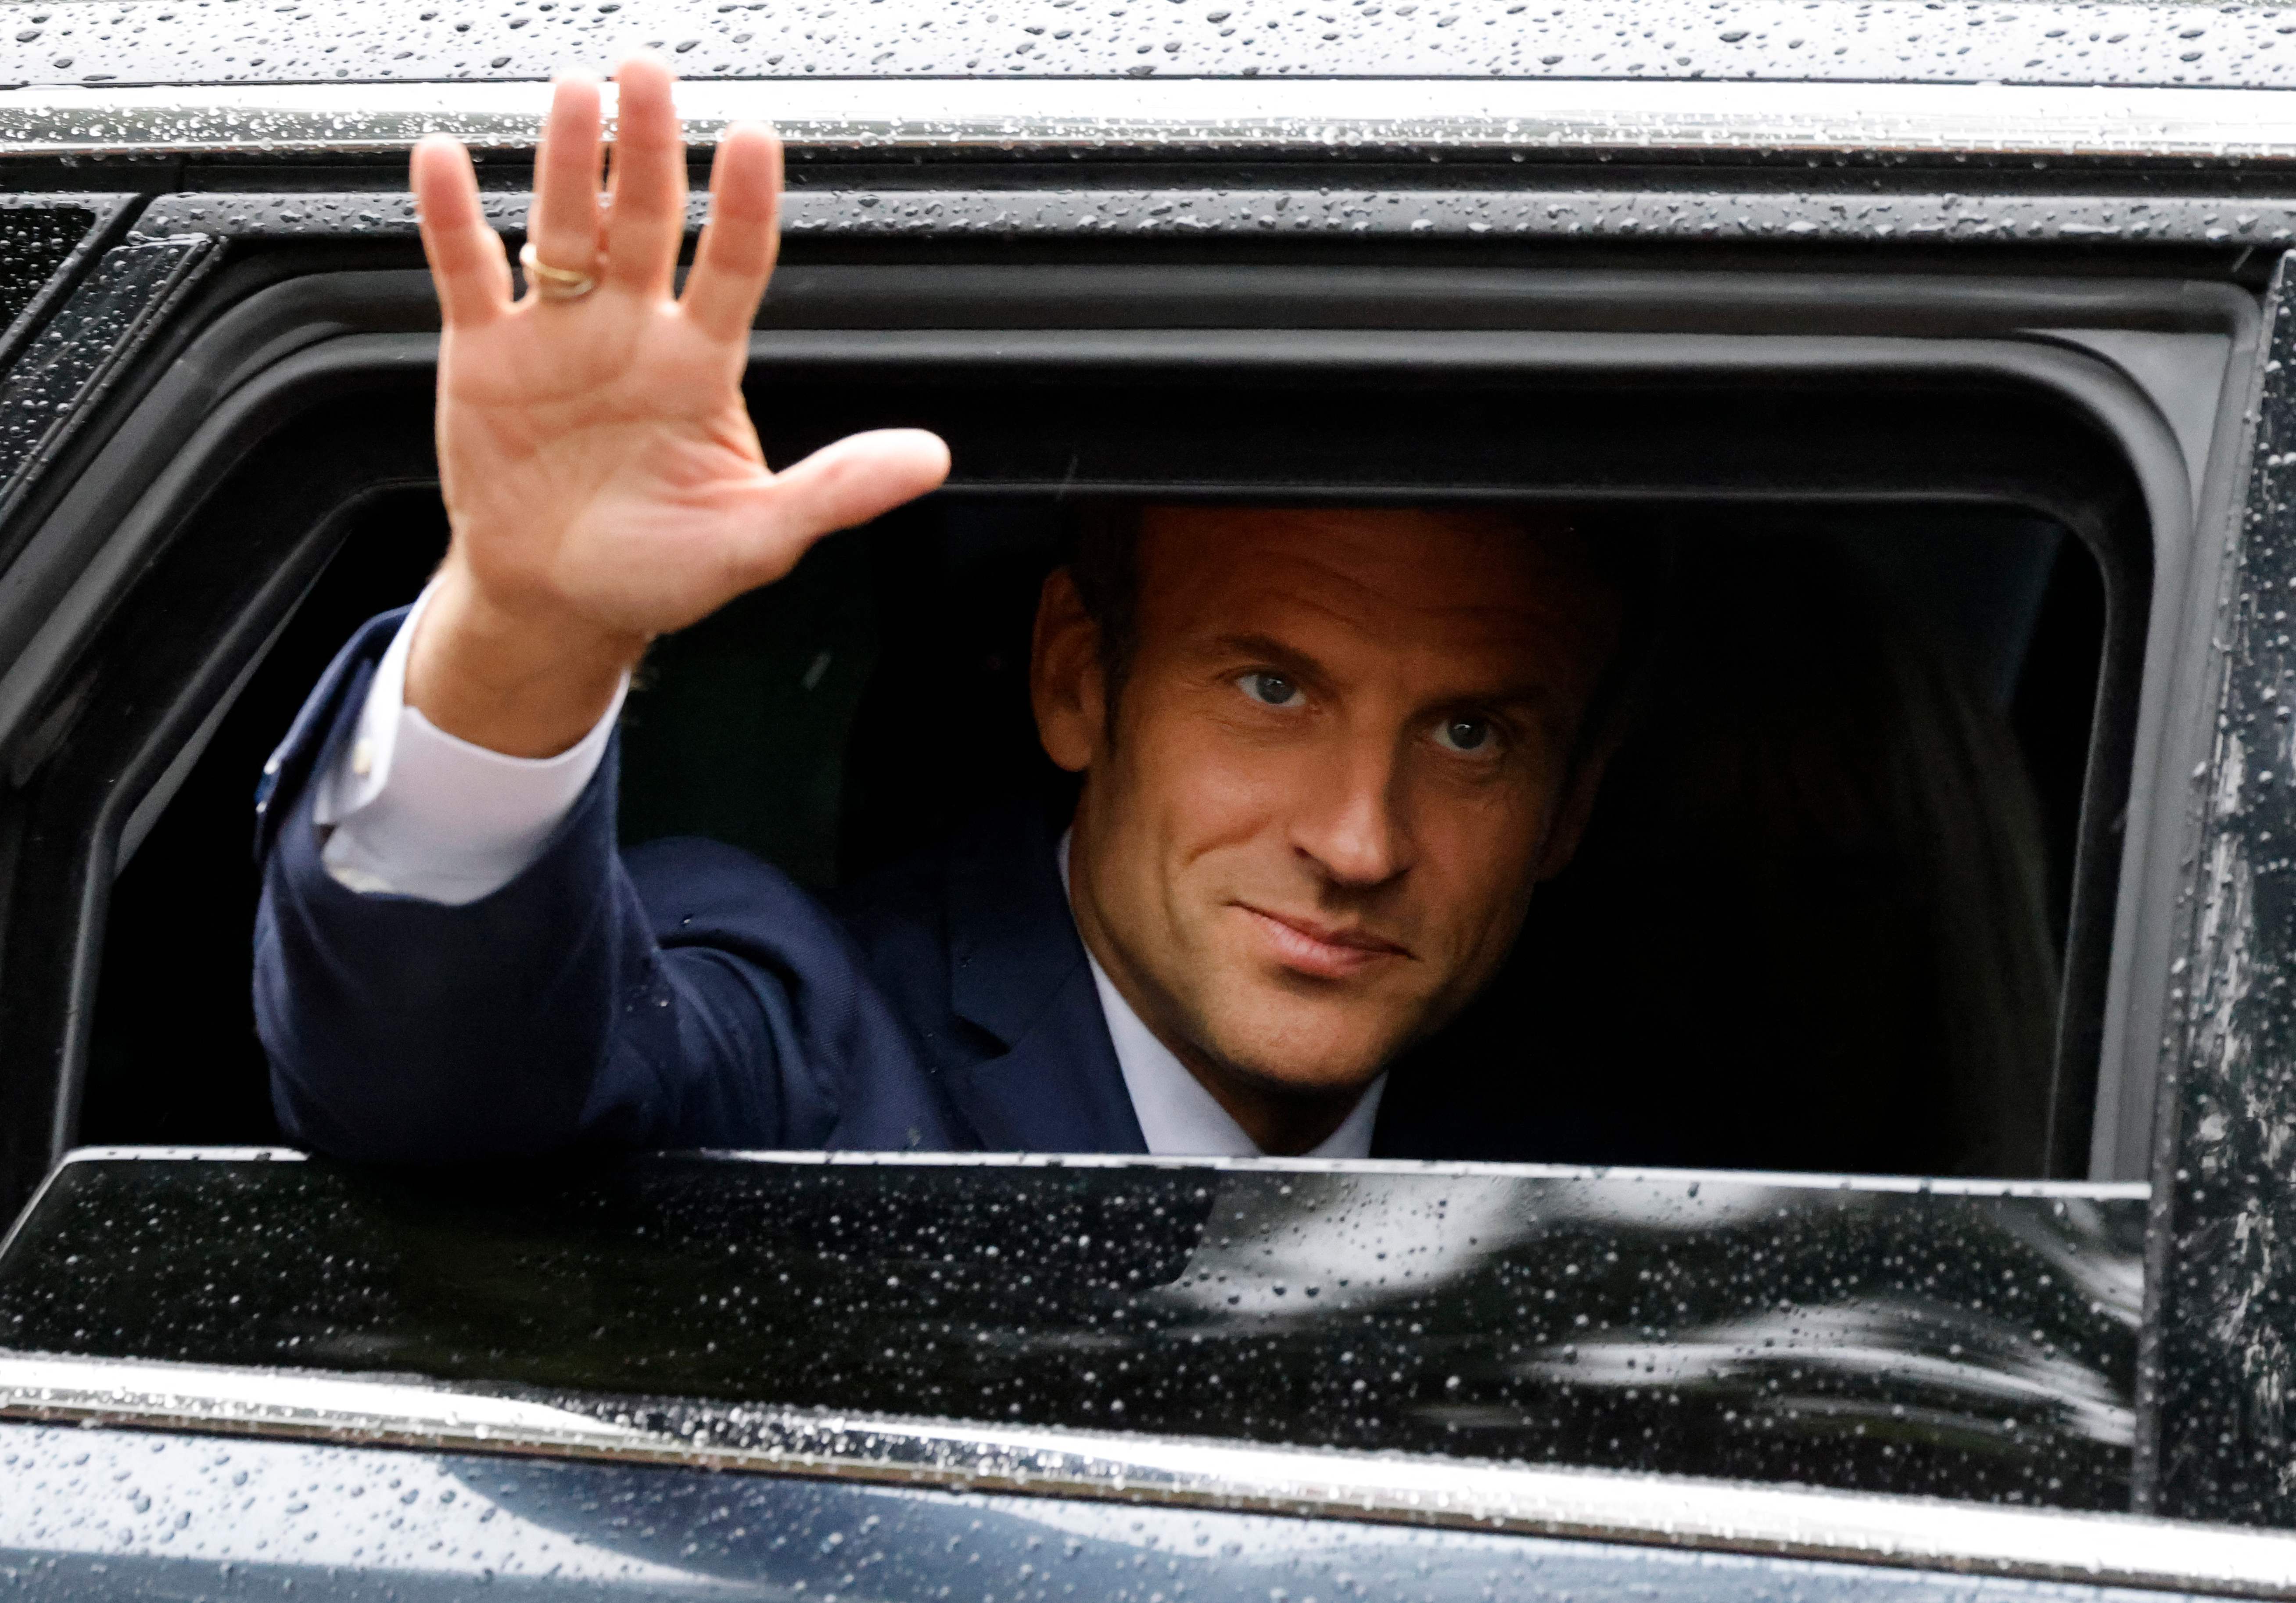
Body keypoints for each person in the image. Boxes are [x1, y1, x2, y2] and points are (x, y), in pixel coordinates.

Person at [251, 58, 1632, 1164]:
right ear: (1078, 682)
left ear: (1570, 806)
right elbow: (439, 1086)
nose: (1358, 841)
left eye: (1468, 736)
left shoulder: (1621, 1170)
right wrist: (526, 635)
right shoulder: (810, 1044)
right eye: (1270, 690)